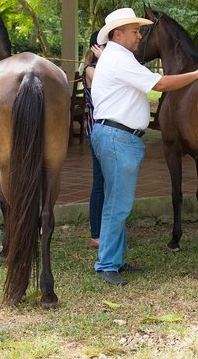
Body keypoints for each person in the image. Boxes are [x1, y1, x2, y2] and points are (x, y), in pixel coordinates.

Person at [91, 7, 198, 286]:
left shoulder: (117, 57)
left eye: (140, 30)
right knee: (118, 204)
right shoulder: (119, 59)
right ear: (118, 34)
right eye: (135, 31)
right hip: (117, 137)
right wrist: (197, 74)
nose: (140, 36)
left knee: (117, 201)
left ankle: (115, 258)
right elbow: (160, 83)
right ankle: (107, 264)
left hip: (118, 136)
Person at [82, 31, 105, 249]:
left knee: (107, 182)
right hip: (95, 130)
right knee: (99, 182)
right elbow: (107, 86)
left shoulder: (105, 66)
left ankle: (104, 229)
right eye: (104, 46)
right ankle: (95, 233)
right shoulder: (91, 70)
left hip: (104, 131)